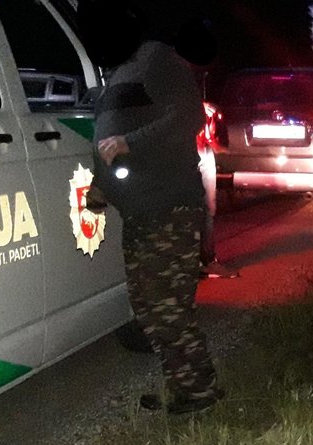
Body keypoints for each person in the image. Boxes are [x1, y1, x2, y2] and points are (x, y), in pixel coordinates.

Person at [77, 0, 222, 414]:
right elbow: (105, 136)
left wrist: (130, 144)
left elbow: (188, 118)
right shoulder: (117, 73)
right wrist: (101, 188)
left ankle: (199, 393)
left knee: (168, 306)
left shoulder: (157, 59)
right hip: (138, 212)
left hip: (170, 205)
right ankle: (181, 385)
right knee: (148, 308)